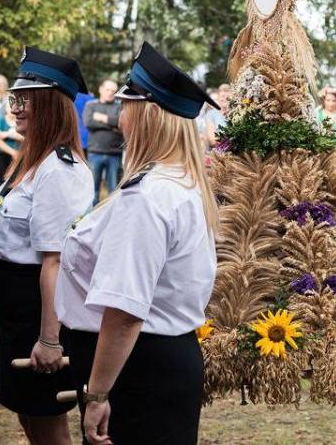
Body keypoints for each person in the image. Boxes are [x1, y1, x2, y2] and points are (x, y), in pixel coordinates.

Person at [55, 41, 219, 444]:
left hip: (139, 367)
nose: (119, 120)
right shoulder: (179, 183)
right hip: (164, 360)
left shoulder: (147, 198)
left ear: (146, 117)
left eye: (126, 109)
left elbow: (125, 312)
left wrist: (97, 393)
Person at [0, 47, 94, 445]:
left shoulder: (60, 170)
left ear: (49, 105)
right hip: (17, 309)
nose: (15, 108)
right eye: (15, 98)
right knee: (29, 415)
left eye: (24, 100)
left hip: (39, 312)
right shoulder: (32, 161)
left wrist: (49, 339)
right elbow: (8, 247)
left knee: (47, 424)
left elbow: (56, 263)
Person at [84, 79, 124, 203]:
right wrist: (112, 125)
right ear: (101, 89)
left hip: (115, 154)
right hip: (95, 152)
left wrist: (101, 118)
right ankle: (89, 219)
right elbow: (88, 122)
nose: (110, 93)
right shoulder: (91, 105)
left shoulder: (120, 106)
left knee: (114, 190)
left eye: (113, 91)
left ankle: (113, 218)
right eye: (108, 90)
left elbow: (121, 123)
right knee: (92, 191)